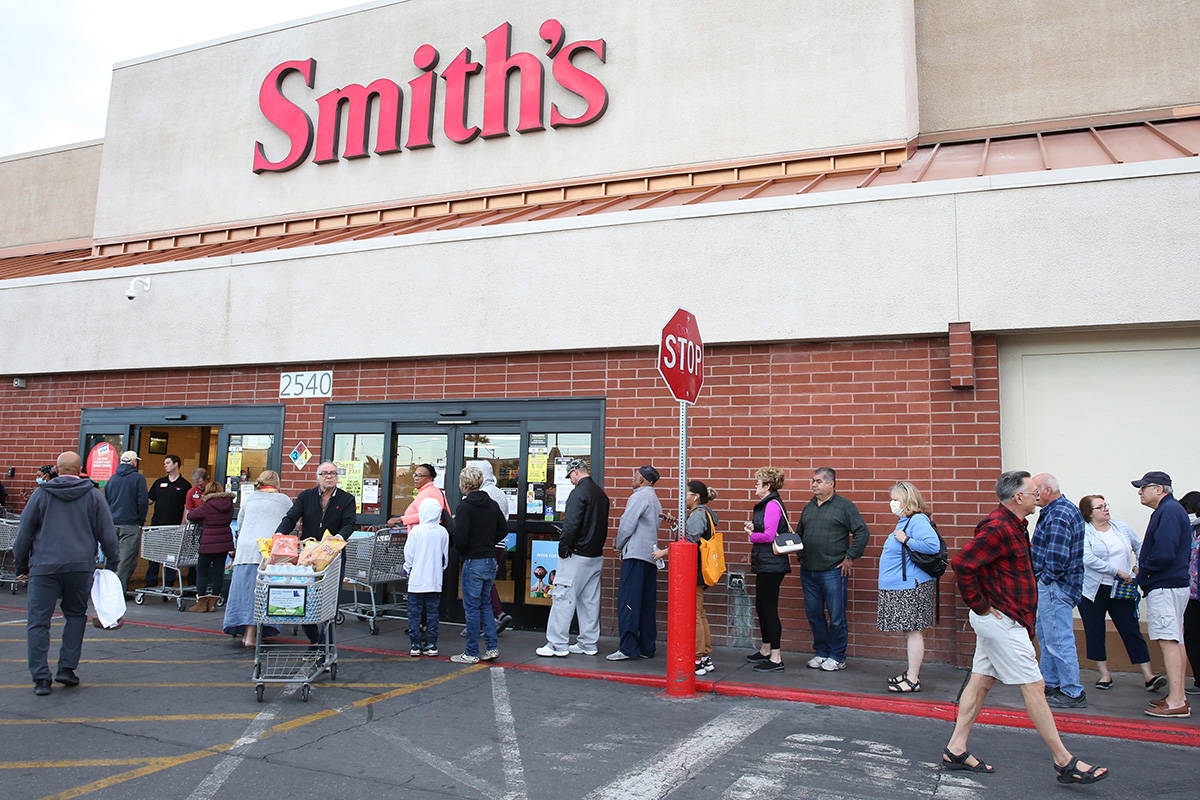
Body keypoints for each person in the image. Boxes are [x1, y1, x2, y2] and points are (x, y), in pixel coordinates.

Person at [944, 470, 1107, 785]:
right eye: (1032, 492)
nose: (1037, 496)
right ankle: (1064, 761)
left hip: (1007, 618)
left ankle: (956, 748)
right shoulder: (998, 528)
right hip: (1001, 621)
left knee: (980, 682)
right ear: (1018, 497)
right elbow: (963, 563)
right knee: (1034, 686)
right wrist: (981, 605)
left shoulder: (1016, 525)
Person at [14, 452, 120, 696]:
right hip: (80, 567)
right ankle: (67, 669)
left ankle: (41, 678)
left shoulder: (41, 494)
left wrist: (21, 566)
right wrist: (112, 566)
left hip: (44, 568)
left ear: (56, 469)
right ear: (80, 469)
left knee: (38, 622)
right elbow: (107, 534)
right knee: (75, 616)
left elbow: (24, 534)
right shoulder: (93, 495)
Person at [1077, 494, 1160, 690]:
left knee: (1131, 629)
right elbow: (1087, 558)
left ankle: (1149, 675)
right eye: (1100, 507)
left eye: (1106, 505)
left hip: (1121, 588)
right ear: (1089, 513)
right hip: (1094, 590)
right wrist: (1118, 571)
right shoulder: (1084, 531)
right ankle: (1104, 675)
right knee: (1095, 631)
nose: (1105, 509)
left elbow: (1140, 546)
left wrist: (1138, 566)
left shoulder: (1120, 527)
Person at [536, 458, 610, 658]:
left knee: (563, 597)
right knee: (590, 601)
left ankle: (557, 644)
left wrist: (563, 547)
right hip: (595, 555)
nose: (570, 480)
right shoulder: (601, 495)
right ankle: (588, 642)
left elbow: (571, 525)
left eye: (570, 475)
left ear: (576, 472)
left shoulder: (578, 494)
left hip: (576, 555)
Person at [1133, 471, 1192, 717]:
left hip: (1165, 586)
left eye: (1143, 487)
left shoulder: (1167, 511)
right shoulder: (1172, 510)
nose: (1139, 491)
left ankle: (1177, 701)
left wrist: (1143, 571)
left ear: (1159, 489)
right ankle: (1177, 696)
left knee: (1169, 641)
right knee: (1175, 639)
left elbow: (1164, 553)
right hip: (1173, 584)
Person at [276, 461, 357, 642]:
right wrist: (279, 534)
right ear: (317, 477)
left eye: (333, 473)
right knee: (306, 600)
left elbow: (349, 523)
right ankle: (316, 642)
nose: (329, 476)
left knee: (329, 603)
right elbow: (291, 517)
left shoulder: (347, 499)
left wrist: (339, 538)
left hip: (332, 556)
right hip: (309, 556)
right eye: (324, 473)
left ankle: (323, 647)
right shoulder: (306, 496)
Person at [798, 466, 869, 672]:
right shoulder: (809, 507)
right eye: (813, 481)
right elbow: (800, 533)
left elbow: (862, 532)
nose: (814, 485)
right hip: (809, 570)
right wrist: (799, 554)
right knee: (814, 614)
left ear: (831, 483)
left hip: (833, 571)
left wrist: (850, 558)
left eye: (818, 481)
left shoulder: (844, 506)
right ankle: (821, 652)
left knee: (836, 616)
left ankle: (837, 656)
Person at [1030, 473, 1087, 708]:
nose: (1033, 497)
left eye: (1035, 492)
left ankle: (1072, 691)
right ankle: (1052, 682)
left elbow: (1056, 557)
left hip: (1055, 586)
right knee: (1047, 636)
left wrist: (1044, 581)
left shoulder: (1059, 514)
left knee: (1058, 639)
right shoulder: (1060, 510)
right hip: (1057, 585)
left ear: (1046, 490)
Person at [876, 481, 939, 693]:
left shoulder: (917, 520)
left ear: (907, 501)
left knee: (913, 631)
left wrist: (907, 540)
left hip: (911, 586)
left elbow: (932, 545)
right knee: (909, 631)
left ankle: (913, 678)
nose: (892, 504)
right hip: (901, 586)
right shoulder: (904, 521)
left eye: (896, 500)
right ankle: (911, 672)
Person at [652, 480, 720, 675]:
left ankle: (698, 658)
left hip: (695, 568)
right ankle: (705, 656)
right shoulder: (703, 513)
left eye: (686, 493)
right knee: (700, 612)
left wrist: (664, 552)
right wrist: (677, 527)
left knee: (696, 614)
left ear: (696, 496)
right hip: (700, 568)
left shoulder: (698, 515)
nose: (683, 497)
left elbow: (689, 542)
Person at [223, 470, 292, 646]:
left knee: (245, 592)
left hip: (246, 550)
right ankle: (252, 635)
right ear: (277, 482)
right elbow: (291, 523)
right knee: (263, 593)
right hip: (269, 551)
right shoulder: (284, 500)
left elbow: (240, 522)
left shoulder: (250, 498)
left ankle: (242, 629)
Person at [449, 466, 506, 664]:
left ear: (464, 484)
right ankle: (491, 648)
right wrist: (489, 542)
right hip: (490, 559)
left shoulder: (465, 507)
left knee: (472, 608)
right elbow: (504, 528)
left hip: (474, 561)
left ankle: (471, 652)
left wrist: (463, 550)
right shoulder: (491, 503)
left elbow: (461, 537)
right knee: (485, 606)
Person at [607, 465, 663, 661]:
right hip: (649, 556)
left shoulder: (639, 496)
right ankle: (647, 647)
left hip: (635, 555)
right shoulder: (654, 499)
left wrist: (618, 545)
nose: (633, 478)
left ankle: (628, 648)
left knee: (629, 602)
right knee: (646, 604)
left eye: (636, 475)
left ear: (643, 480)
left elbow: (627, 525)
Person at [744, 466, 791, 672]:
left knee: (769, 608)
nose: (755, 486)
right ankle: (765, 649)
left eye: (758, 483)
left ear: (768, 485)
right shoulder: (768, 504)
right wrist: (755, 527)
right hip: (767, 563)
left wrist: (751, 535)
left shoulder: (771, 504)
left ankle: (776, 657)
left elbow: (769, 536)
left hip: (772, 564)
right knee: (762, 606)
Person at [467, 460, 513, 634]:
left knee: (480, 583)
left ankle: (483, 623)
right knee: (488, 581)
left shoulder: (483, 494)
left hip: (485, 545)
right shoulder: (499, 493)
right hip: (498, 543)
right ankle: (497, 614)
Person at [405, 497, 450, 656]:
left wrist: (407, 568)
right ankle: (431, 645)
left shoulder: (416, 531)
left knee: (414, 614)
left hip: (416, 581)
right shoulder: (442, 532)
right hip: (435, 581)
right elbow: (445, 558)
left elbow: (409, 554)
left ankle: (415, 645)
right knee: (432, 613)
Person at [143, 455, 192, 589]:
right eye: (164, 463)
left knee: (171, 558)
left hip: (174, 528)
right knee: (154, 556)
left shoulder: (184, 485)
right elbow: (149, 500)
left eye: (168, 463)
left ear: (176, 464)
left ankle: (169, 584)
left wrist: (183, 524)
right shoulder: (159, 483)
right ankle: (150, 583)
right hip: (157, 526)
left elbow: (186, 507)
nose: (165, 465)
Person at [185, 482, 235, 612]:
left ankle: (201, 603)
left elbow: (190, 516)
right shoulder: (229, 505)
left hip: (208, 543)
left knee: (202, 572)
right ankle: (213, 603)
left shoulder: (208, 505)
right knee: (218, 573)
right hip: (224, 542)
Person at [104, 451, 148, 594]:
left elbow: (107, 500)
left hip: (113, 523)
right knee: (126, 561)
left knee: (111, 559)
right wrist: (141, 520)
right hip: (130, 524)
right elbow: (142, 501)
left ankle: (107, 588)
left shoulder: (112, 479)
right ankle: (118, 592)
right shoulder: (138, 478)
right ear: (133, 462)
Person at [1178, 490, 1200, 696]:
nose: (1186, 513)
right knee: (1192, 637)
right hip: (1191, 594)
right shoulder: (1191, 530)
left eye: (1187, 509)